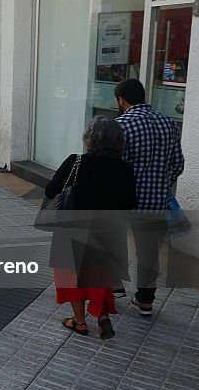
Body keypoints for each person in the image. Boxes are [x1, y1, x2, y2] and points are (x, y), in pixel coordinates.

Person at [47, 118, 135, 340]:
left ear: (89, 139)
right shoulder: (124, 169)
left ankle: (80, 322)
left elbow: (51, 190)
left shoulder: (76, 162)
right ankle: (102, 316)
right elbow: (129, 203)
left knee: (72, 275)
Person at [114, 78, 184, 315]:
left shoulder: (122, 125)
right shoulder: (169, 123)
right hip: (156, 200)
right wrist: (160, 183)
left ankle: (115, 286)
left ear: (121, 100)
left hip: (126, 199)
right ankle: (145, 300)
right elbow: (177, 164)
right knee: (149, 249)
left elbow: (117, 166)